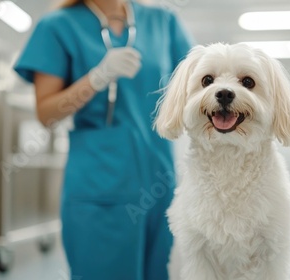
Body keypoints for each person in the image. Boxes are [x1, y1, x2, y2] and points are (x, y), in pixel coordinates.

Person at [13, 0, 193, 279]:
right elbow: (46, 114)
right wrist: (96, 78)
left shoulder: (163, 21)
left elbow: (197, 87)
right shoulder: (58, 26)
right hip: (97, 186)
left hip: (159, 184)